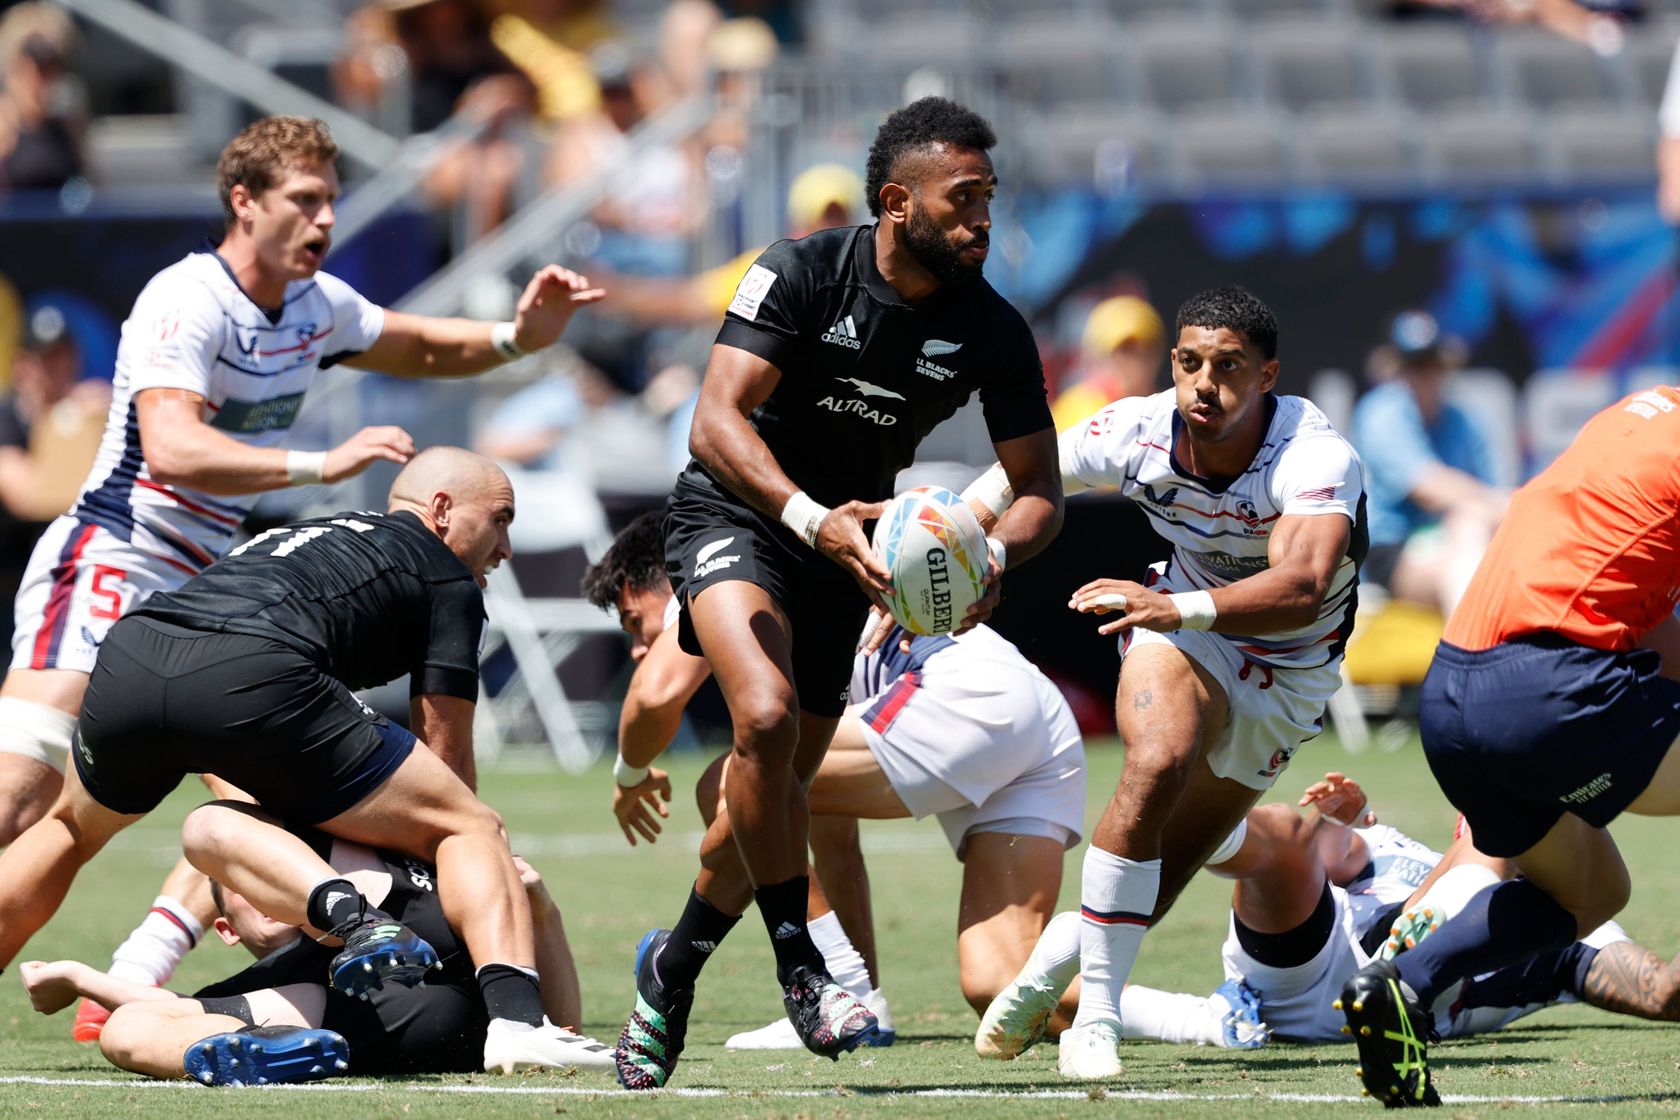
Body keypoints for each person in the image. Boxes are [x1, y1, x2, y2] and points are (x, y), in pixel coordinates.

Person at [0, 114, 600, 1039]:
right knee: (25, 800)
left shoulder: (315, 305)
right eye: (305, 199)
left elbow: (421, 345)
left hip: (213, 601)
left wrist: (519, 336)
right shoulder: (187, 297)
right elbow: (171, 446)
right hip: (115, 558)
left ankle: (142, 971)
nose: (325, 219)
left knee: (259, 807)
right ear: (244, 202)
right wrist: (322, 463)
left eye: (331, 200)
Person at [612, 96, 1064, 1090]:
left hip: (848, 556)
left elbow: (1040, 489)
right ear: (898, 202)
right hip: (738, 514)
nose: (983, 219)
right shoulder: (803, 270)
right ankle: (803, 967)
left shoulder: (991, 327)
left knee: (769, 796)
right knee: (764, 718)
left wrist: (992, 559)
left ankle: (670, 969)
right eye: (963, 199)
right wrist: (808, 515)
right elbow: (714, 422)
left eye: (989, 198)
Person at [0, 447, 608, 1074]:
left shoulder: (308, 535)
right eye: (500, 519)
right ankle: (515, 1020)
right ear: (442, 510)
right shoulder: (444, 574)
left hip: (137, 650)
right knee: (468, 824)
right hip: (253, 669)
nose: (505, 547)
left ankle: (328, 937)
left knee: (71, 830)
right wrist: (453, 860)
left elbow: (221, 723)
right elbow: (445, 757)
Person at [963, 285, 1365, 1080]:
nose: (1203, 384)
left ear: (1267, 375)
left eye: (1228, 366)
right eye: (1189, 363)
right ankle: (1095, 1023)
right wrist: (948, 551)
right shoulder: (1134, 430)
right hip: (1184, 628)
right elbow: (1016, 478)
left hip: (1290, 670)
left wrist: (1175, 606)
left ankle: (1061, 954)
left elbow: (1301, 588)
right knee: (1156, 761)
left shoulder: (1315, 456)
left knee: (1165, 871)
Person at [581, 510, 1090, 1050]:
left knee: (735, 785)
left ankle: (834, 988)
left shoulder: (716, 567)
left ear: (659, 579)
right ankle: (1152, 993)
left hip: (959, 694)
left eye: (634, 622)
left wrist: (630, 773)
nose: (638, 648)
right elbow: (834, 845)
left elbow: (654, 693)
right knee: (1001, 983)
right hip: (1034, 712)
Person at [1337, 383, 1680, 1107]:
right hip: (1548, 691)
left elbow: (1648, 621)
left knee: (1591, 894)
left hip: (1451, 698)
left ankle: (1404, 986)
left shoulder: (1638, 412)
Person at [990, 771, 1679, 1061]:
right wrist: (1348, 821)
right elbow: (1332, 850)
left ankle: (1127, 884)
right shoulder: (1418, 847)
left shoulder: (1572, 918)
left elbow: (1659, 989)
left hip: (1339, 998)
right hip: (1328, 955)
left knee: (1486, 845)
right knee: (989, 988)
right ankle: (1164, 843)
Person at [19, 805, 611, 1084]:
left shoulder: (397, 876)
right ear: (226, 930)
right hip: (353, 1029)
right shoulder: (282, 981)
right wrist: (77, 976)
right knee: (125, 1030)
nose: (266, 886)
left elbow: (564, 1023)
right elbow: (166, 1009)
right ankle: (265, 1059)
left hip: (492, 1002)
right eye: (246, 885)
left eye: (269, 869)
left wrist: (541, 908)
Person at [1351, 310, 1504, 618]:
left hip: (1458, 542)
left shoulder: (1464, 419)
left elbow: (1486, 499)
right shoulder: (1380, 412)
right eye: (1413, 366)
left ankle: (1472, 638)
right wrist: (1508, 504)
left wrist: (1500, 507)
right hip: (1393, 549)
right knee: (1471, 532)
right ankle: (1468, 645)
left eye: (1429, 364)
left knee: (1475, 532)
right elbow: (1428, 488)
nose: (1422, 376)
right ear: (1396, 370)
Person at [1048, 295, 1167, 434]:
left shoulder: (1169, 411)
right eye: (1123, 351)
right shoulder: (1077, 412)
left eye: (1145, 349)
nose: (1133, 363)